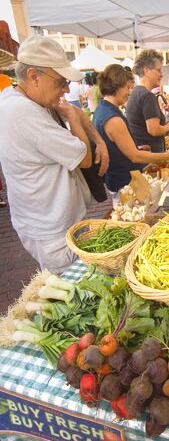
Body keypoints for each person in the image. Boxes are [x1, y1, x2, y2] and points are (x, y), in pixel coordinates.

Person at [0, 34, 108, 274]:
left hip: (52, 220)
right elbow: (85, 158)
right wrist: (72, 118)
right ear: (33, 76)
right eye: (60, 81)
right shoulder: (23, 113)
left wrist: (96, 138)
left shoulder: (22, 100)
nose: (66, 88)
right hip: (53, 231)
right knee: (74, 288)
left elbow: (78, 117)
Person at [93, 64, 169, 193]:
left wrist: (136, 147)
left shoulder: (101, 109)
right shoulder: (113, 119)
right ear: (117, 86)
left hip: (116, 177)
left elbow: (115, 146)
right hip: (124, 182)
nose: (129, 92)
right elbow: (134, 156)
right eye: (127, 87)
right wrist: (166, 156)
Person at [126, 49, 169, 152]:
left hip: (142, 153)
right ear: (146, 70)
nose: (162, 75)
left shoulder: (136, 91)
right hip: (151, 157)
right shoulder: (147, 96)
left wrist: (165, 124)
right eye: (158, 70)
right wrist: (168, 127)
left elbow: (142, 124)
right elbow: (153, 130)